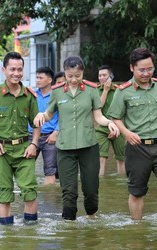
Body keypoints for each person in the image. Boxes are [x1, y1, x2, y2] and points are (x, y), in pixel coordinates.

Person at [34, 56, 120, 221]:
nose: (74, 79)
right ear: (65, 73)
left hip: (88, 146)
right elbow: (49, 114)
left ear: (83, 73)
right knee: (69, 192)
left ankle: (91, 219)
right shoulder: (57, 91)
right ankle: (69, 227)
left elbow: (98, 116)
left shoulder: (91, 90)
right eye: (70, 76)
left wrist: (110, 123)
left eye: (77, 76)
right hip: (65, 148)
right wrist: (41, 115)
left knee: (91, 190)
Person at [107, 47, 157, 220]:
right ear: (132, 68)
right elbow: (115, 117)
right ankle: (137, 227)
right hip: (137, 148)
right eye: (142, 69)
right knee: (136, 191)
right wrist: (126, 134)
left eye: (150, 69)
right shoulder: (123, 91)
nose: (146, 73)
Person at [0, 52, 40, 225]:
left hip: (24, 150)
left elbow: (36, 123)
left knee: (30, 191)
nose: (16, 73)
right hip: (1, 151)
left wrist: (34, 144)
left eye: (20, 70)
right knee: (4, 193)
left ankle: (30, 234)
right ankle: (7, 236)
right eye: (12, 69)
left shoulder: (29, 96)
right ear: (4, 70)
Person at [28, 66, 59, 185]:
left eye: (40, 78)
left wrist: (56, 133)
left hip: (50, 138)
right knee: (25, 168)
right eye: (36, 77)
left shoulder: (56, 96)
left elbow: (63, 117)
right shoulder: (32, 95)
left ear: (50, 80)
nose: (37, 80)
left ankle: (49, 200)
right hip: (31, 137)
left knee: (50, 172)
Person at [95, 65, 126, 176]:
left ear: (110, 77)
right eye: (100, 75)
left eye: (104, 75)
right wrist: (106, 90)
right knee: (100, 158)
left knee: (121, 158)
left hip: (119, 127)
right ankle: (99, 183)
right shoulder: (96, 90)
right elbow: (99, 106)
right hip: (102, 128)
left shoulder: (119, 90)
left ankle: (121, 183)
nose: (102, 78)